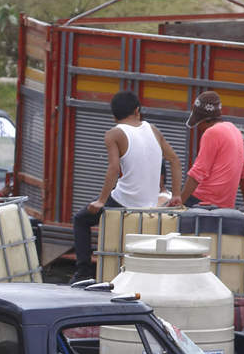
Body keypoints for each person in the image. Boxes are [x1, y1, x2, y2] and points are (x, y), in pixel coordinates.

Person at [71, 91, 182, 282]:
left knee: (81, 220)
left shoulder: (113, 134)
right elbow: (174, 160)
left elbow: (114, 168)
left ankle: (83, 272)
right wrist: (177, 195)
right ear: (137, 110)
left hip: (124, 200)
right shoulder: (153, 129)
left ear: (114, 115)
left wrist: (101, 201)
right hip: (150, 203)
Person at [183, 92, 244, 209]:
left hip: (203, 201)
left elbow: (198, 172)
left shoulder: (211, 133)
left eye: (199, 123)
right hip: (226, 206)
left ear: (205, 120)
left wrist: (180, 201)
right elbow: (243, 175)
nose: (199, 128)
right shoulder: (234, 130)